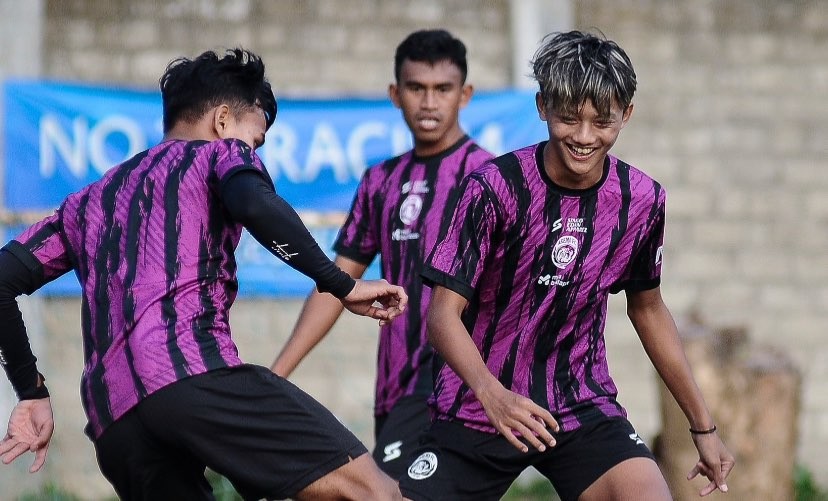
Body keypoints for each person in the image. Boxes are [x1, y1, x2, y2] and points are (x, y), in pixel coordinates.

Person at [0, 48, 407, 501]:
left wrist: (31, 390)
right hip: (192, 377)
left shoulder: (88, 201)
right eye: (256, 140)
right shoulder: (219, 155)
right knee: (376, 493)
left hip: (115, 424)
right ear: (223, 121)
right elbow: (253, 203)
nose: (253, 152)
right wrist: (342, 284)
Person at [398, 31, 736, 501]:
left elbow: (649, 309)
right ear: (543, 107)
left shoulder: (641, 200)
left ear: (627, 115)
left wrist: (703, 426)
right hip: (477, 403)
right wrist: (494, 397)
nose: (583, 136)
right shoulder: (493, 188)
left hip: (579, 400)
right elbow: (441, 315)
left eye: (602, 122)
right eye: (569, 118)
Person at [271, 29, 493, 479]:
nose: (428, 102)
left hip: (469, 386)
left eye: (442, 89)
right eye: (416, 88)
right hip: (399, 389)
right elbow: (336, 282)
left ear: (465, 94)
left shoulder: (490, 177)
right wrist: (277, 374)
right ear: (395, 94)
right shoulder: (381, 182)